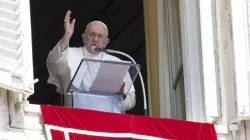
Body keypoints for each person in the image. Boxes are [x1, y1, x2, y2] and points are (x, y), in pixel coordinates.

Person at [46, 10, 136, 112]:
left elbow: (131, 99)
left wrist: (120, 96)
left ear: (106, 42)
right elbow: (54, 61)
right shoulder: (71, 54)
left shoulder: (116, 62)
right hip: (76, 117)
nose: (96, 39)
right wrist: (67, 36)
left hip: (107, 121)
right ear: (84, 38)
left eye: (100, 36)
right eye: (92, 34)